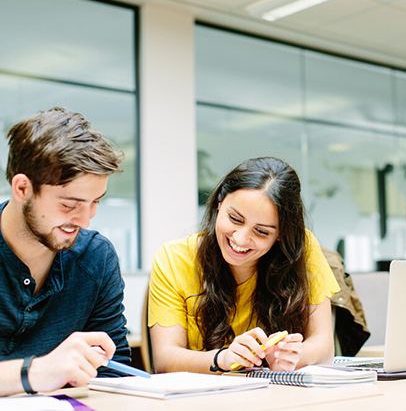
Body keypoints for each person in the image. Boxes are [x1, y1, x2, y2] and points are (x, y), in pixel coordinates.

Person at [149, 157, 340, 374]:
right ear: (220, 202)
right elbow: (164, 360)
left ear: (281, 234)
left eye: (262, 232)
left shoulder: (303, 250)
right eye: (235, 219)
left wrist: (291, 357)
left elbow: (324, 346)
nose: (240, 239)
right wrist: (224, 358)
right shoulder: (174, 258)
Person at [0, 107, 130, 396]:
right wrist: (34, 372)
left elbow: (113, 373)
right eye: (70, 205)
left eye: (95, 201)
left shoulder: (96, 257)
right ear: (23, 188)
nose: (85, 221)